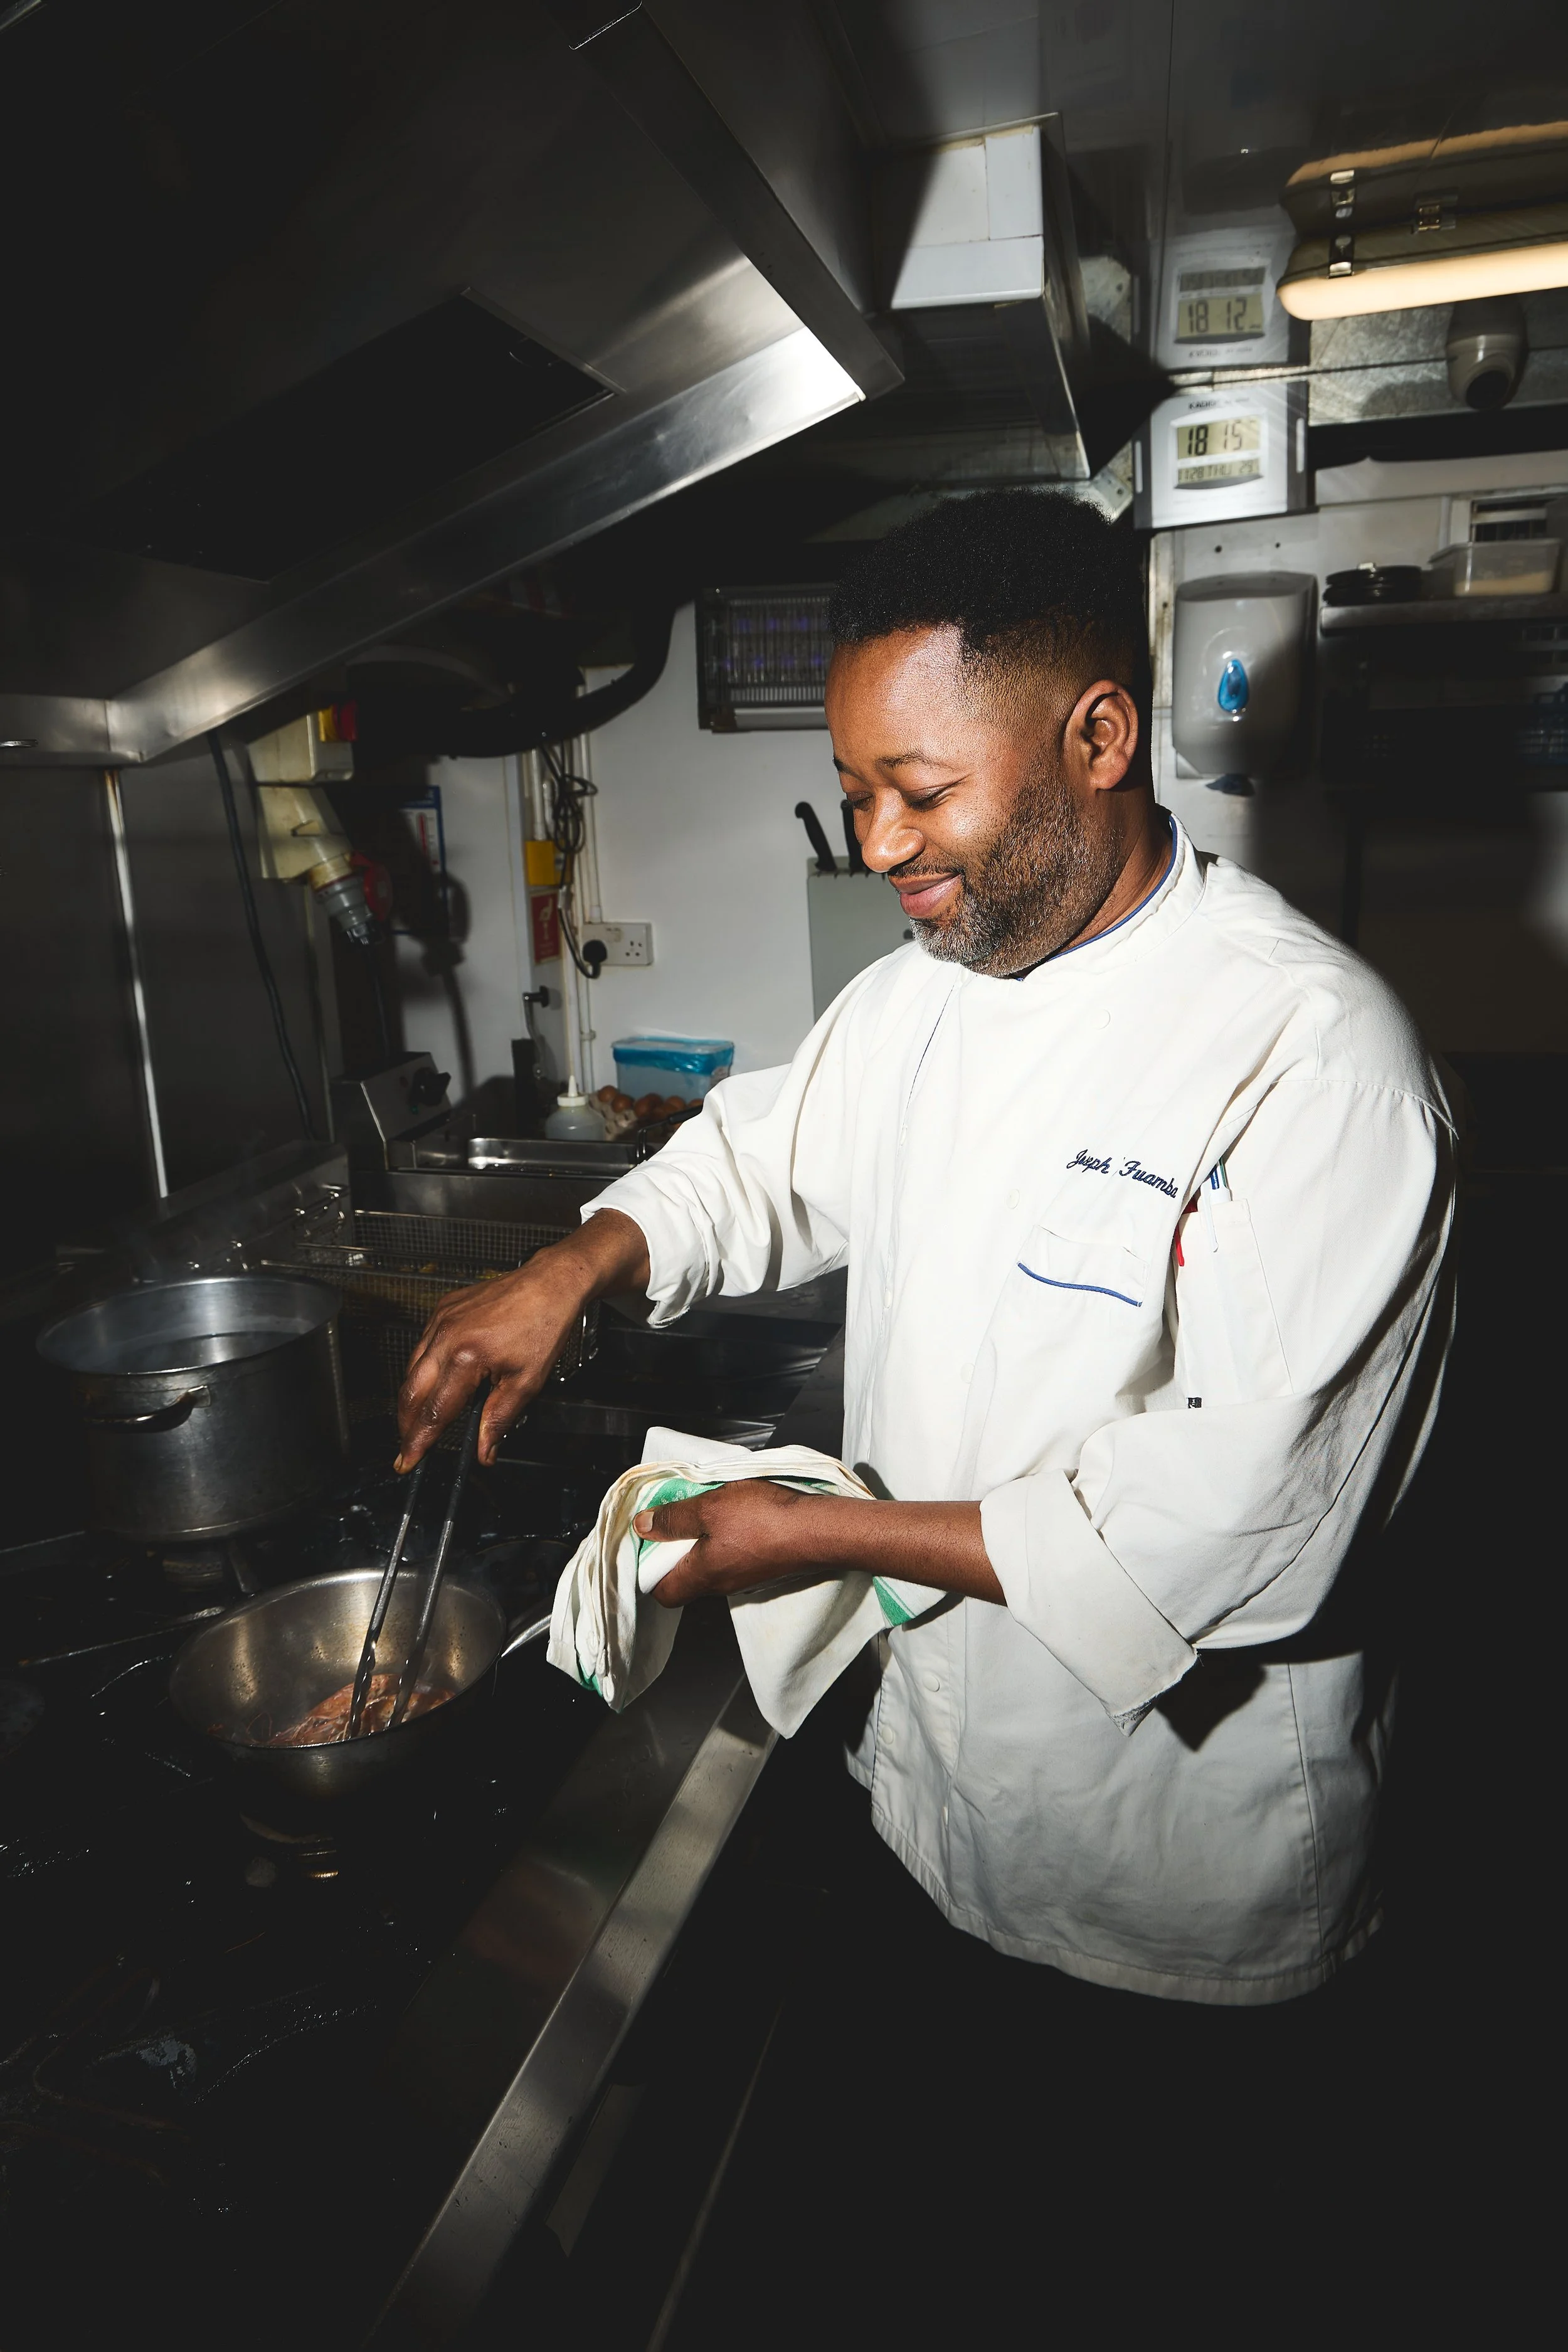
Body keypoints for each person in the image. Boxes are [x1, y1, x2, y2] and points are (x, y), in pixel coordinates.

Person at [396, 492, 1456, 2006]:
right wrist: (578, 1264)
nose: (878, 842)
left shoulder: (1311, 1057)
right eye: (852, 789)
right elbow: (761, 1154)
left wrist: (818, 1534)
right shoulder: (930, 989)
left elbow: (1241, 1527)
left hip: (1176, 1871)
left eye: (919, 788)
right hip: (933, 1800)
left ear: (1097, 737)